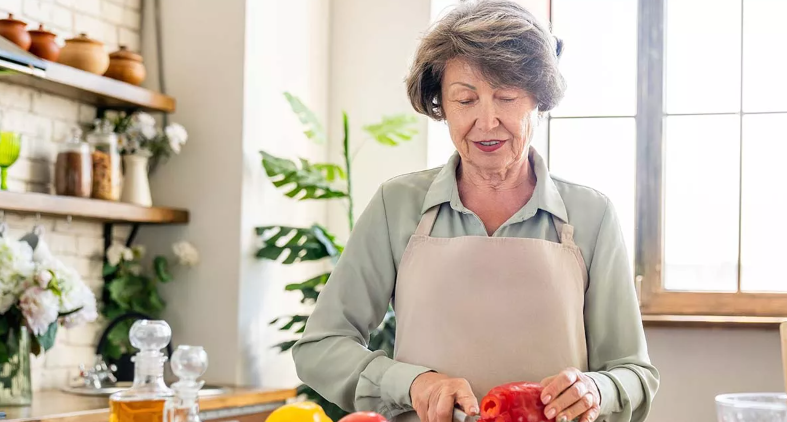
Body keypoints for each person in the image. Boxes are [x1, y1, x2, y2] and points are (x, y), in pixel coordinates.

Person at [292, 1, 659, 421]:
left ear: (538, 100)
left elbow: (634, 372)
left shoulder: (591, 215)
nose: (487, 122)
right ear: (441, 106)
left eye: (506, 97)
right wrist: (412, 383)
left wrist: (595, 389)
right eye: (465, 99)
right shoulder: (397, 205)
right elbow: (321, 346)